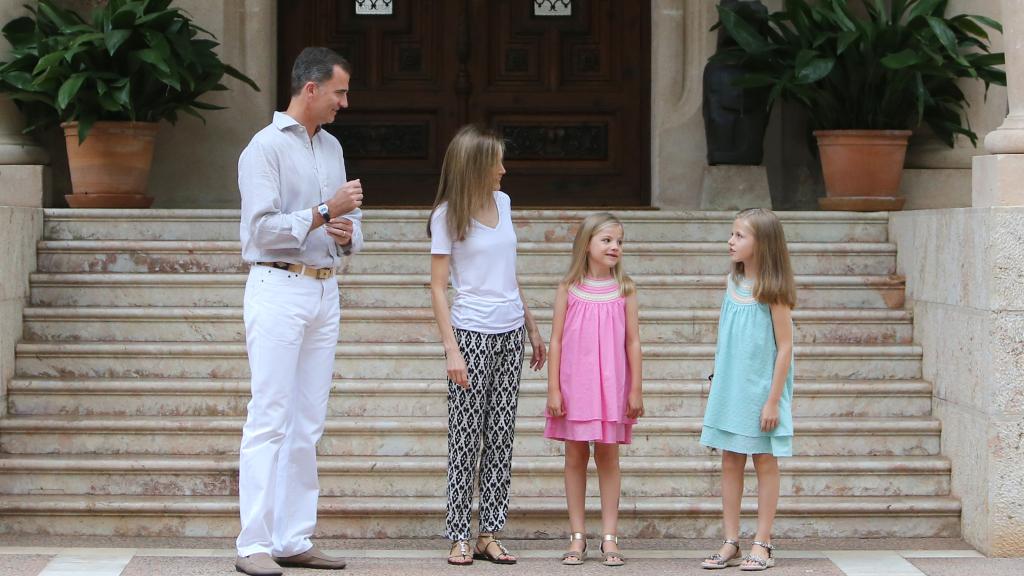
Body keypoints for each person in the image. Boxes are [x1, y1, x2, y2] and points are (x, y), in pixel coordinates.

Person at [235, 46, 363, 576]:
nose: (345, 103)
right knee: (269, 416)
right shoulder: (262, 149)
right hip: (277, 287)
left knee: (308, 422)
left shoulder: (331, 147)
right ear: (310, 89)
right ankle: (253, 544)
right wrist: (322, 212)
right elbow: (260, 231)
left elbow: (349, 220)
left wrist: (347, 231)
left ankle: (293, 537)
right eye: (340, 92)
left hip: (323, 289)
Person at [428, 124, 547, 566]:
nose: (503, 169)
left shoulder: (504, 202)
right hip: (471, 333)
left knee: (500, 437)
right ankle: (459, 532)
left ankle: (489, 532)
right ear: (476, 166)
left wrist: (532, 327)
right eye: (496, 161)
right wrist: (451, 349)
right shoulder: (447, 215)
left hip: (510, 330)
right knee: (465, 438)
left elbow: (509, 272)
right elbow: (439, 288)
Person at [544, 212, 644, 567]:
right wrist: (553, 388)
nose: (615, 246)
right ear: (586, 245)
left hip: (611, 387)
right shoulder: (567, 288)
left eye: (619, 241)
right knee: (574, 457)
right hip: (575, 387)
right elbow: (555, 341)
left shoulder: (625, 288)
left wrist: (636, 389)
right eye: (607, 240)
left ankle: (609, 537)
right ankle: (577, 536)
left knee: (608, 457)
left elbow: (633, 343)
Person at [699, 208, 795, 572]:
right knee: (730, 459)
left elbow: (785, 347)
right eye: (732, 234)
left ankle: (763, 542)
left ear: (763, 243)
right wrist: (717, 380)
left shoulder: (773, 292)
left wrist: (773, 400)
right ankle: (731, 541)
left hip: (761, 392)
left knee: (765, 462)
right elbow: (726, 337)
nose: (731, 241)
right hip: (731, 387)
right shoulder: (732, 283)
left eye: (739, 235)